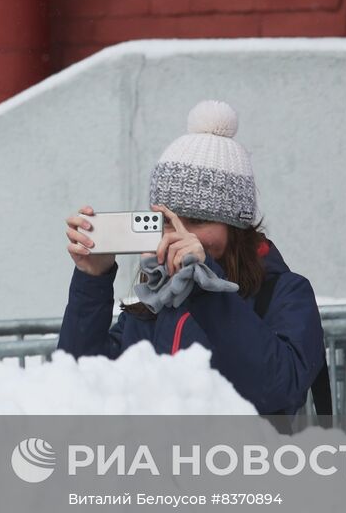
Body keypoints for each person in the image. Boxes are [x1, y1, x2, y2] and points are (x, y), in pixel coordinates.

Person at [56, 100, 327, 416]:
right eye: (169, 221)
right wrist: (93, 280)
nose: (181, 235)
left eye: (197, 222)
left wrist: (204, 287)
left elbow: (280, 390)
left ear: (236, 228)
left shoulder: (285, 292)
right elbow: (80, 387)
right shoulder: (156, 303)